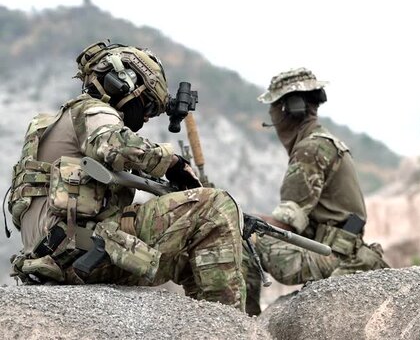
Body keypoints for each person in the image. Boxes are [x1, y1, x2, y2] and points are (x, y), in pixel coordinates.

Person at [7, 41, 245, 311]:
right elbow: (115, 145)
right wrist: (173, 163)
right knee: (215, 206)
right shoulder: (91, 110)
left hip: (65, 253)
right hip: (81, 251)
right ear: (124, 83)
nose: (145, 117)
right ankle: (228, 321)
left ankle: (207, 323)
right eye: (147, 106)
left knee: (193, 254)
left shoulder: (58, 126)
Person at [243, 67, 388, 315]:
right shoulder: (324, 142)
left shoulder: (310, 150)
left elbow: (284, 225)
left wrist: (238, 217)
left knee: (244, 238)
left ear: (290, 108)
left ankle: (241, 323)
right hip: (343, 251)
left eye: (274, 109)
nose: (273, 119)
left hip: (333, 257)